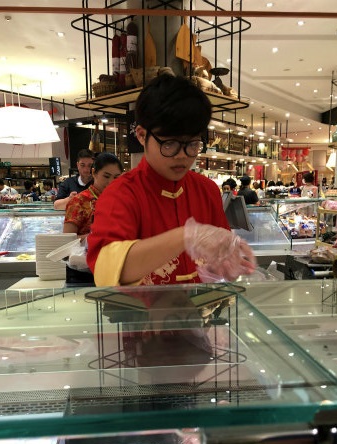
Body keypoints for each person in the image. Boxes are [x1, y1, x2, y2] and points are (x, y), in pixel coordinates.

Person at [86, 74, 256, 286]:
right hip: (141, 317)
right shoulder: (120, 194)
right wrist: (187, 236)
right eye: (169, 144)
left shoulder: (207, 189)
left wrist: (225, 264)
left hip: (200, 313)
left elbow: (217, 260)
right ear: (141, 135)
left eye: (192, 143)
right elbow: (107, 271)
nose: (182, 155)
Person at [64, 152, 123, 237]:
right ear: (94, 173)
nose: (111, 182)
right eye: (106, 176)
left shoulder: (121, 200)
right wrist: (97, 236)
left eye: (116, 177)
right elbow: (67, 240)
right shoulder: (79, 201)